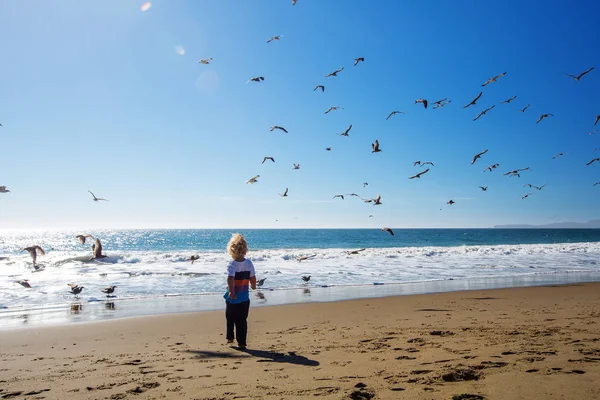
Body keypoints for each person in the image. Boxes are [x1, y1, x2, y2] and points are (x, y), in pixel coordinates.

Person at [224, 233, 256, 350]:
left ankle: (230, 337)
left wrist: (232, 292)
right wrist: (253, 285)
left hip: (233, 297)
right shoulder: (249, 263)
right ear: (245, 249)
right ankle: (242, 342)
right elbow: (252, 277)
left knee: (230, 317)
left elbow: (230, 278)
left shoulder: (232, 264)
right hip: (245, 297)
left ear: (232, 250)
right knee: (242, 320)